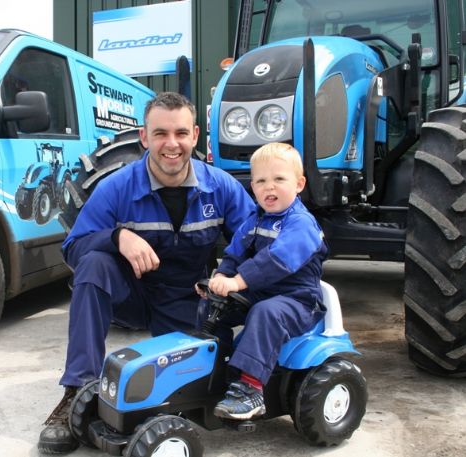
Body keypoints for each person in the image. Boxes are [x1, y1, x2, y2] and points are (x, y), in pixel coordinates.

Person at [38, 92, 255, 454]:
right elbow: (73, 248)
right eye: (160, 134)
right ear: (144, 137)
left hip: (187, 300)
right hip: (133, 295)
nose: (172, 144)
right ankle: (77, 390)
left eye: (181, 133)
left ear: (195, 135)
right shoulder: (116, 188)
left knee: (202, 387)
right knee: (93, 265)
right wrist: (117, 237)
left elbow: (255, 243)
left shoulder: (222, 188)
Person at [196, 142, 328, 420]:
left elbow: (277, 260)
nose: (269, 187)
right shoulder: (255, 220)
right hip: (260, 291)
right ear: (252, 187)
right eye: (261, 181)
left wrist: (239, 281)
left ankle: (251, 390)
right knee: (211, 306)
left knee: (266, 312)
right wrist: (220, 277)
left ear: (299, 183)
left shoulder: (301, 224)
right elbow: (234, 253)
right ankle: (215, 368)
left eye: (279, 179)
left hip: (298, 301)